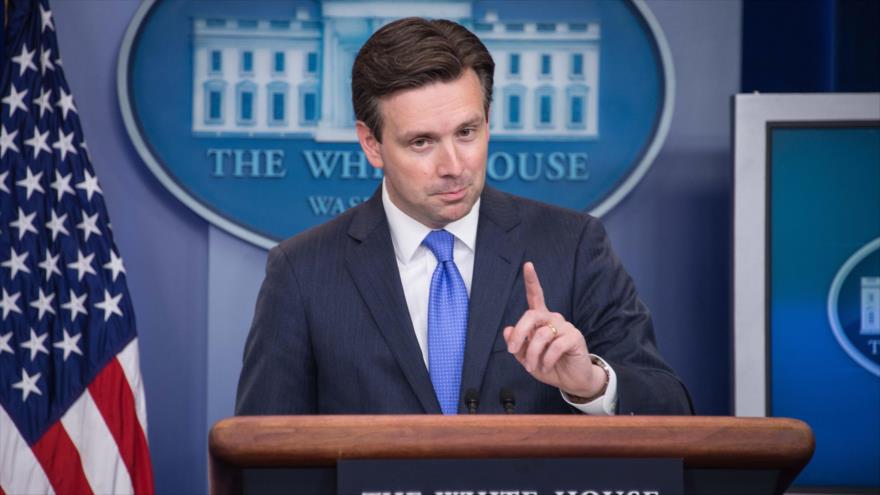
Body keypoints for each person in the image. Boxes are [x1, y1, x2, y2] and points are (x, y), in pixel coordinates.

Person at [235, 17, 692, 416]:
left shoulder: (573, 246)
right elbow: (264, 454)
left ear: (488, 122)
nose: (454, 165)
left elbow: (671, 405)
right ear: (371, 144)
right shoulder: (301, 271)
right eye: (422, 142)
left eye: (467, 132)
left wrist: (591, 383)